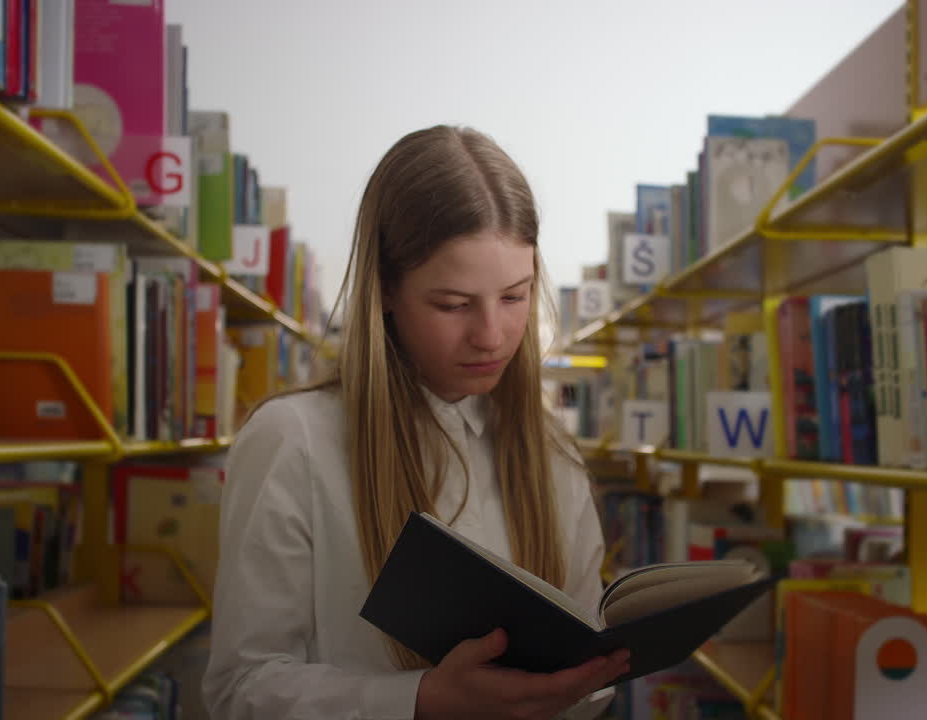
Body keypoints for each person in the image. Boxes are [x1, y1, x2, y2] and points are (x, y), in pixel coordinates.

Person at [202, 125, 628, 720]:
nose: (492, 335)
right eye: (452, 304)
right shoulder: (291, 441)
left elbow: (589, 681)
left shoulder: (553, 452)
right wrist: (420, 702)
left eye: (514, 297)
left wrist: (582, 682)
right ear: (384, 292)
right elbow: (238, 691)